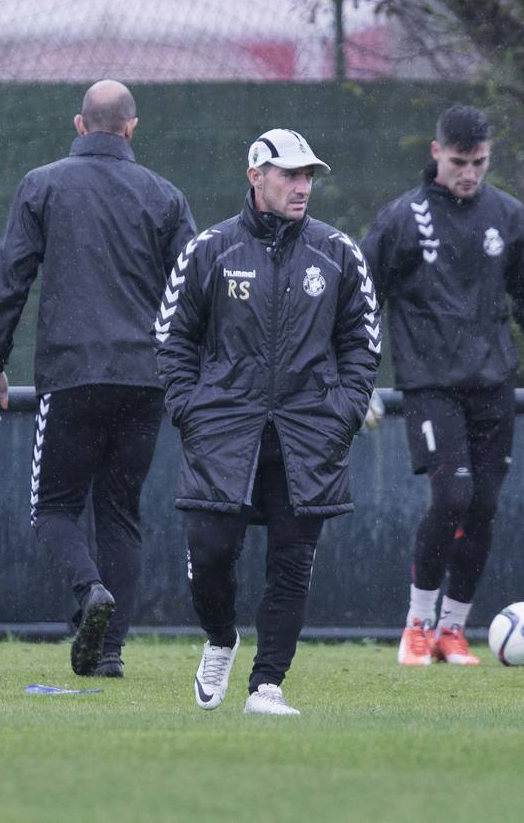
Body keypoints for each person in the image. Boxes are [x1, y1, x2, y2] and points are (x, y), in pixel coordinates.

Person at [155, 129, 380, 715]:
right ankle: (220, 639)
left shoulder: (337, 252)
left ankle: (266, 686)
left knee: (292, 563)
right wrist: (190, 409)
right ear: (256, 176)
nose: (302, 186)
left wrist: (344, 412)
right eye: (290, 175)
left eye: (308, 176)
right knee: (209, 553)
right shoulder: (209, 249)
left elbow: (362, 341)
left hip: (310, 433)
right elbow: (173, 337)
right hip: (222, 430)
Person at [0, 81, 196, 678]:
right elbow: (195, 289)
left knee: (52, 509)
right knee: (121, 512)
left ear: (80, 125)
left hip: (72, 376)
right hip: (145, 380)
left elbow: (10, 282)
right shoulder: (165, 196)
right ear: (132, 127)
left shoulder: (43, 184)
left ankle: (88, 592)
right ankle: (109, 652)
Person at [360, 106, 524, 668]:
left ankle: (453, 630)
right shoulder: (403, 217)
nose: (469, 173)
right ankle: (417, 626)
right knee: (452, 497)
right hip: (430, 384)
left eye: (480, 162)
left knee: (485, 507)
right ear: (435, 153)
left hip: (493, 382)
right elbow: (360, 295)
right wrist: (356, 376)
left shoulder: (509, 215)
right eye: (459, 162)